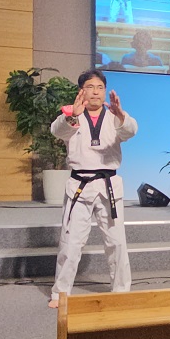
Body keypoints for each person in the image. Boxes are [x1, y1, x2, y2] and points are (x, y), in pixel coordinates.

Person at [48, 70, 138, 308]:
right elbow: (57, 131)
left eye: (100, 87)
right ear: (82, 91)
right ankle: (60, 294)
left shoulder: (114, 116)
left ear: (104, 91)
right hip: (80, 185)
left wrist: (121, 115)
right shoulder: (72, 115)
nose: (96, 92)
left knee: (116, 242)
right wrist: (71, 116)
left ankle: (121, 291)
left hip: (109, 186)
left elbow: (131, 131)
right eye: (90, 87)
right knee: (71, 242)